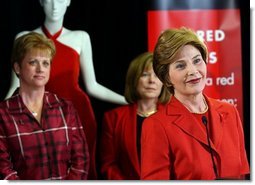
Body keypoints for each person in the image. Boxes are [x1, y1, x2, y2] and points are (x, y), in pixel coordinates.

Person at [6, 0, 126, 179]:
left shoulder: (80, 37)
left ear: (69, 2)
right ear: (41, 2)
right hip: (35, 112)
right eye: (49, 1)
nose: (55, 6)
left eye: (60, 0)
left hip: (78, 112)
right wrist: (2, 114)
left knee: (80, 168)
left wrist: (129, 99)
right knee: (36, 168)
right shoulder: (24, 37)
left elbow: (92, 86)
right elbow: (15, 85)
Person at [140, 27, 250, 180]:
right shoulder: (156, 125)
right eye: (180, 65)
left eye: (197, 61)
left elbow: (242, 175)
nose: (192, 71)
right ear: (166, 78)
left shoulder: (229, 112)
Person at [0, 32, 89, 180]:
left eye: (45, 63)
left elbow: (81, 159)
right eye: (33, 62)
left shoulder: (66, 108)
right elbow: (3, 169)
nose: (40, 69)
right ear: (17, 67)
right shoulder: (3, 114)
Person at [99, 52, 170, 180]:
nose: (152, 80)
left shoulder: (173, 118)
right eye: (145, 74)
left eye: (157, 75)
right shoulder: (113, 118)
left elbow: (182, 164)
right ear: (134, 79)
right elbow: (108, 165)